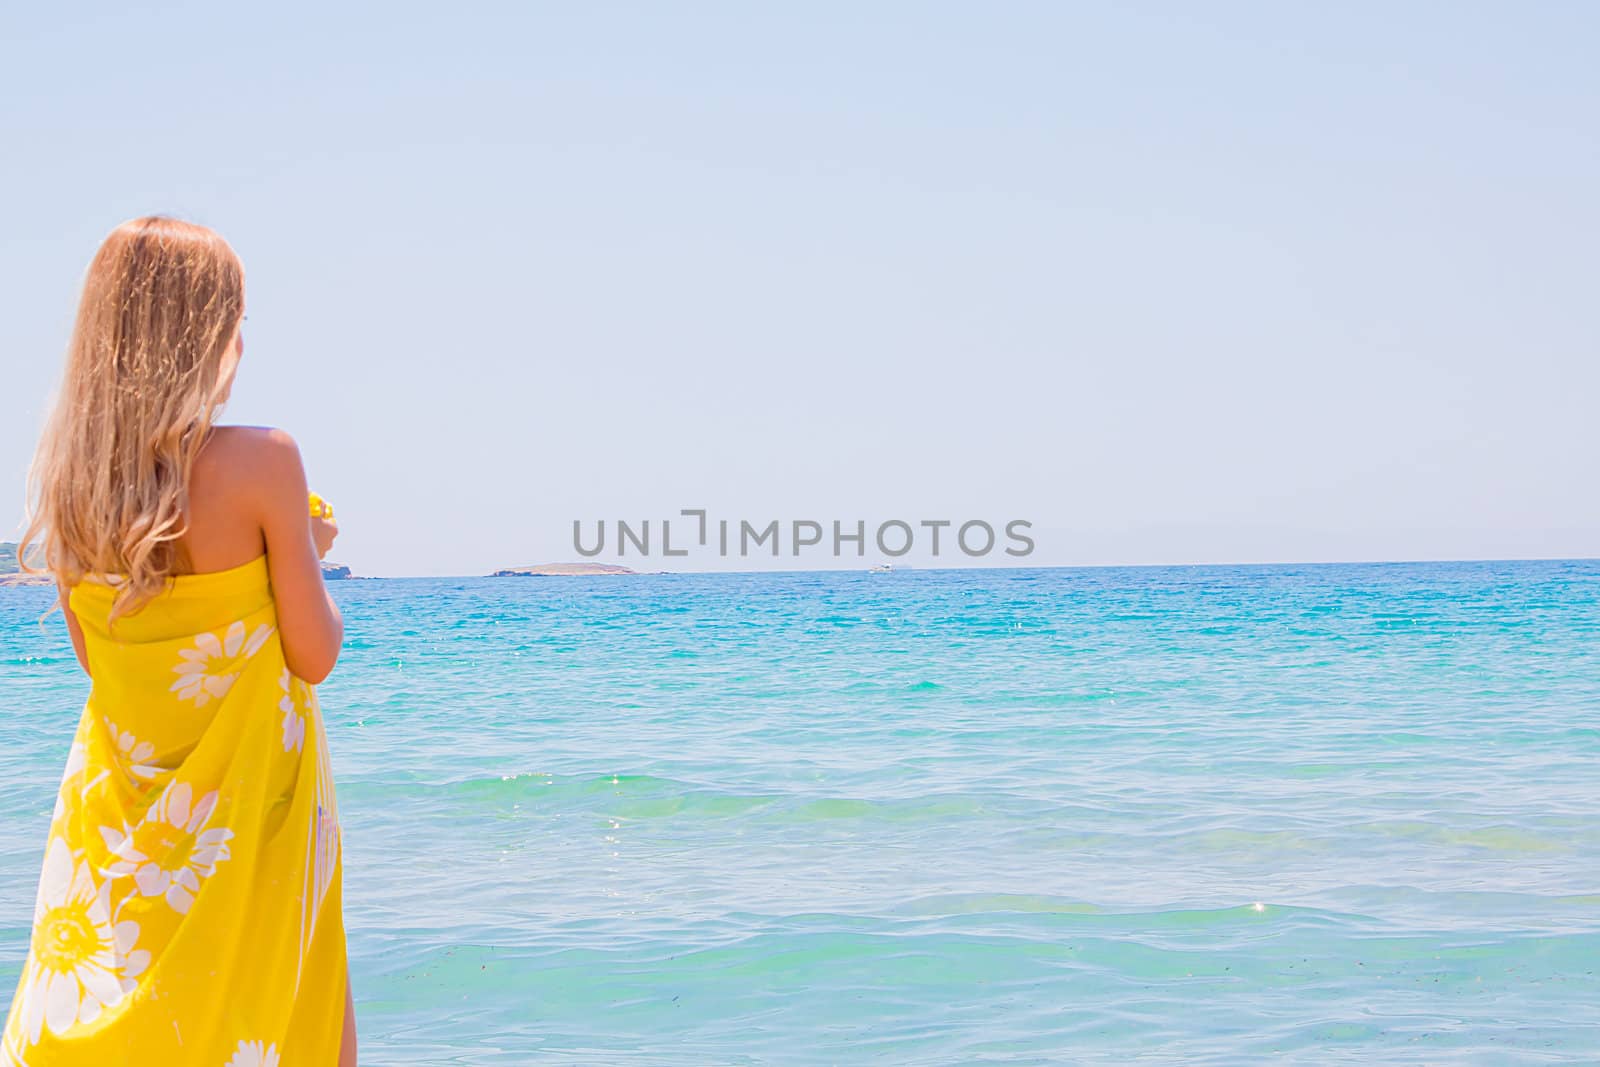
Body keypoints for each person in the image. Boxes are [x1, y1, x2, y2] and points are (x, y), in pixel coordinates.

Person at [2, 216, 357, 1066]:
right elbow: (315, 653)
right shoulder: (266, 463)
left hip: (121, 810)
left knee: (120, 1018)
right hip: (252, 813)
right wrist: (300, 553)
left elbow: (105, 666)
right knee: (289, 1011)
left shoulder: (73, 487)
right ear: (207, 337)